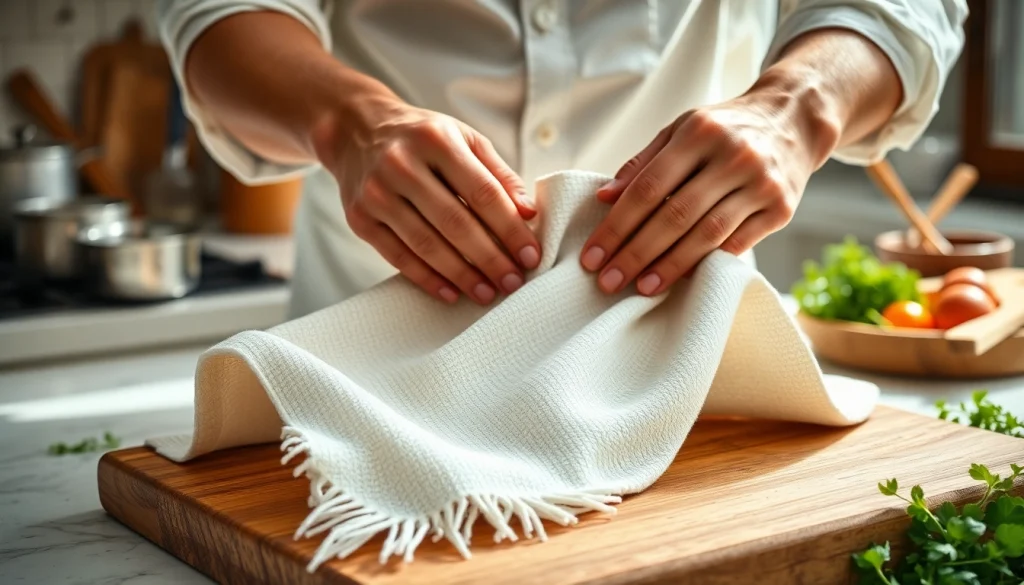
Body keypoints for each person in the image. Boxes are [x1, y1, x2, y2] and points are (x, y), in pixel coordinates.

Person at [158, 0, 966, 318]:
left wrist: (798, 105)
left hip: (689, 366)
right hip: (360, 345)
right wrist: (348, 123)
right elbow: (216, 13)